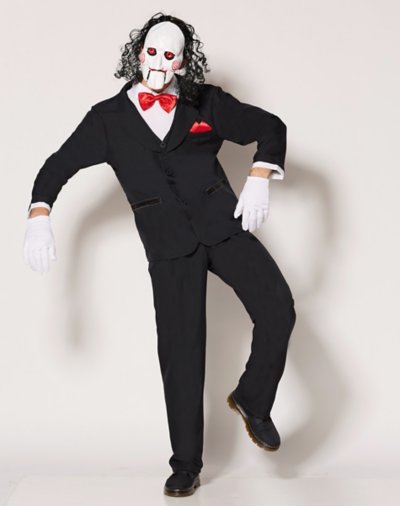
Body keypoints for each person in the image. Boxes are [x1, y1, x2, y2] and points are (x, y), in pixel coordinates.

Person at [23, 12, 296, 497]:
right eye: (151, 51)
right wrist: (39, 215)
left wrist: (260, 175)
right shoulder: (107, 119)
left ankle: (253, 399)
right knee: (181, 352)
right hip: (168, 244)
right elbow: (56, 166)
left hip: (224, 226)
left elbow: (269, 126)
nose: (158, 61)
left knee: (278, 307)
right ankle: (186, 465)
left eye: (170, 54)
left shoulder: (206, 101)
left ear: (183, 62)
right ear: (138, 53)